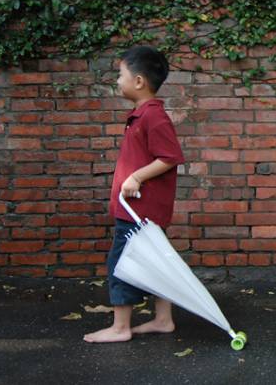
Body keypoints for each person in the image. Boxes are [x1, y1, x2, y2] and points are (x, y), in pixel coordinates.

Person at [84, 46, 185, 343]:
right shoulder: (142, 115)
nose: (117, 80)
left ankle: (120, 328)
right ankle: (164, 320)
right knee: (156, 264)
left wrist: (136, 177)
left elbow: (169, 156)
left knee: (122, 263)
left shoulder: (153, 117)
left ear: (138, 81)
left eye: (120, 75)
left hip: (139, 211)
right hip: (141, 209)